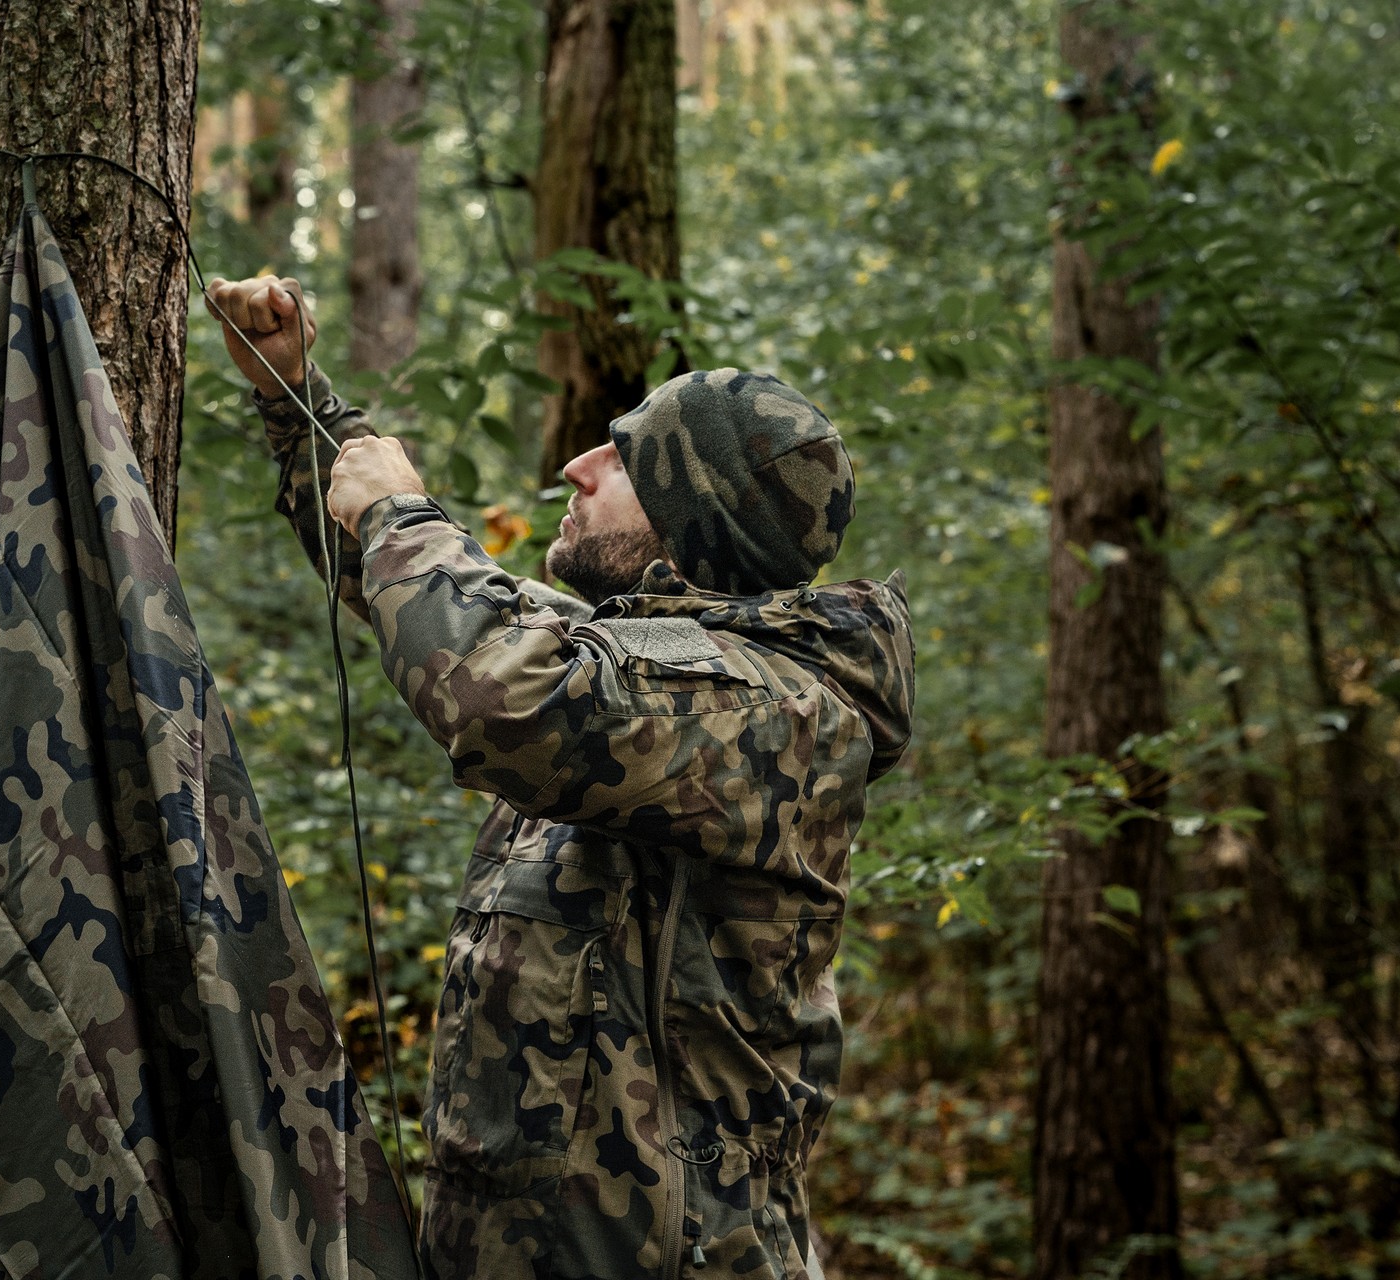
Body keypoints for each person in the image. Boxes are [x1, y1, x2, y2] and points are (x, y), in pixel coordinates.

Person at [208, 274, 914, 1280]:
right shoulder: (639, 664)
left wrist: (401, 510)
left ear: (695, 520)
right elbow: (432, 603)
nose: (577, 467)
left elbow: (498, 685)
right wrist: (295, 395)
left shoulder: (780, 712)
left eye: (624, 459)